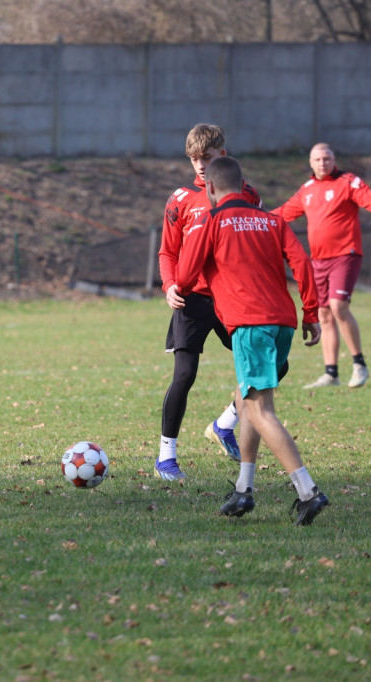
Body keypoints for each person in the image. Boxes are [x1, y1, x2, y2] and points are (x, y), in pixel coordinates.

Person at [175, 155, 329, 525]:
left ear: (209, 187)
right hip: (282, 323)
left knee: (260, 411)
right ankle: (244, 490)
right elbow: (302, 265)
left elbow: (185, 272)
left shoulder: (211, 221)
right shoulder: (273, 220)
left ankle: (308, 491)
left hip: (249, 324)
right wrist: (310, 312)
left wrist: (179, 286)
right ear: (243, 186)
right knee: (248, 403)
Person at [156, 123, 268, 479]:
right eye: (193, 159)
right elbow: (167, 252)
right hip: (191, 299)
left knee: (267, 368)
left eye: (205, 157)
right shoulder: (179, 200)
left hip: (230, 298)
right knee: (185, 375)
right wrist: (171, 284)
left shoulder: (247, 195)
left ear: (223, 152)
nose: (199, 165)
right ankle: (166, 458)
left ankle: (224, 425)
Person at [274, 143, 371, 389]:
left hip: (345, 255)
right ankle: (331, 373)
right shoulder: (307, 190)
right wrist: (253, 219)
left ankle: (359, 364)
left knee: (338, 306)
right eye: (317, 159)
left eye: (326, 158)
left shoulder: (347, 182)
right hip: (318, 260)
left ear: (334, 160)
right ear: (311, 163)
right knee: (324, 313)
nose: (322, 163)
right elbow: (283, 213)